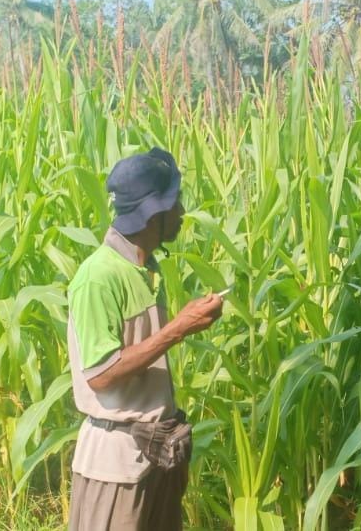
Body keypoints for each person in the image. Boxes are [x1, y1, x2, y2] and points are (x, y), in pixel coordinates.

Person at [67, 147, 224, 531]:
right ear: (154, 213)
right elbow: (101, 374)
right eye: (175, 203)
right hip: (116, 468)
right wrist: (178, 328)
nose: (182, 212)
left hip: (157, 456)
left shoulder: (146, 268)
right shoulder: (98, 277)